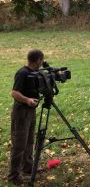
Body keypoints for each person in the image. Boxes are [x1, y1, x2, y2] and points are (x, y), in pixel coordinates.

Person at [8, 49, 44, 185]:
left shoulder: (34, 73)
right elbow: (14, 93)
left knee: (29, 141)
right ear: (38, 60)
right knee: (19, 144)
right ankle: (13, 175)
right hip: (21, 111)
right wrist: (27, 100)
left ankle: (28, 167)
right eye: (41, 60)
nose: (42, 63)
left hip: (30, 110)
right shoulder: (22, 73)